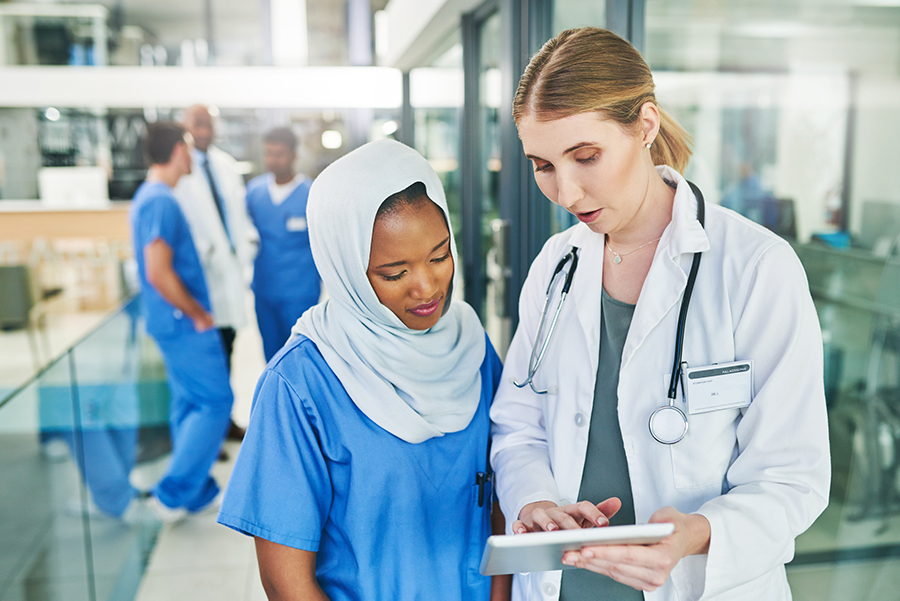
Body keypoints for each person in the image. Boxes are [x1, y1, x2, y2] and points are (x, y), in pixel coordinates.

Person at [489, 27, 830, 601]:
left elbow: (792, 476)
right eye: (542, 165)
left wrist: (698, 533)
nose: (566, 192)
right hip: (565, 587)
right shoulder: (556, 264)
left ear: (645, 126)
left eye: (586, 156)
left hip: (698, 584)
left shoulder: (754, 267)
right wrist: (534, 500)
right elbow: (519, 425)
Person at [218, 139, 510, 600]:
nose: (427, 286)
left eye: (439, 255)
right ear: (346, 270)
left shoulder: (471, 348)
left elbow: (501, 498)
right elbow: (285, 581)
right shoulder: (300, 386)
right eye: (394, 273)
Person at [129, 121, 234, 522]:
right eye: (188, 148)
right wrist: (199, 313)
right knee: (216, 401)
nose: (192, 156)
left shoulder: (151, 196)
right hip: (185, 324)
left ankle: (196, 492)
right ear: (176, 150)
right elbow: (158, 271)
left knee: (189, 403)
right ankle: (172, 495)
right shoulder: (161, 201)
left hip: (170, 324)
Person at [174, 104, 252, 440]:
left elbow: (238, 214)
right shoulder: (180, 169)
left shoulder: (226, 166)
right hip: (200, 281)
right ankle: (206, 433)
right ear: (185, 127)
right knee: (204, 364)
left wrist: (248, 244)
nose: (204, 131)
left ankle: (225, 420)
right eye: (197, 124)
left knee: (228, 350)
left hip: (229, 276)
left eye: (208, 124)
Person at [245, 127, 320, 361]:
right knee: (271, 357)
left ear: (294, 155)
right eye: (268, 153)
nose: (273, 160)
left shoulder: (312, 194)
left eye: (279, 154)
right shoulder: (254, 192)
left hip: (300, 293)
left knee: (300, 356)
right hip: (265, 291)